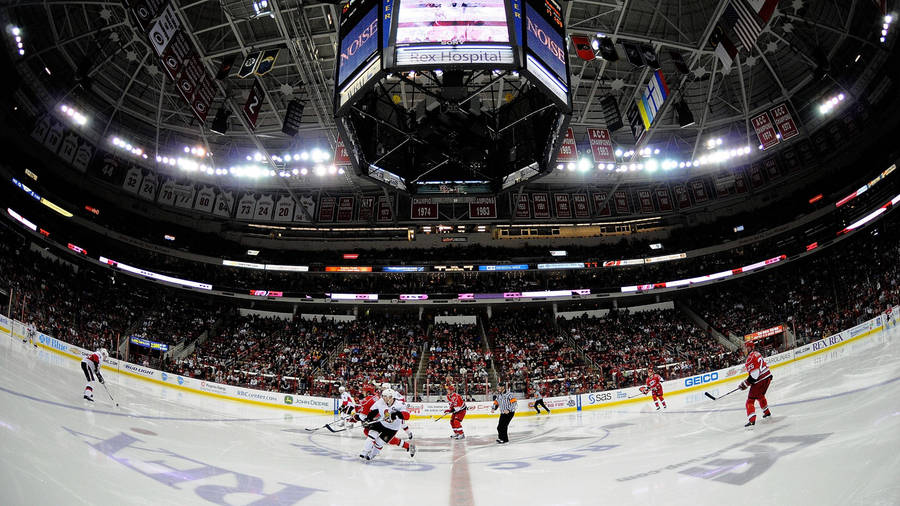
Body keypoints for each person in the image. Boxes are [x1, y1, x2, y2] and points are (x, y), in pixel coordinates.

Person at [358, 389, 415, 460]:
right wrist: (368, 419)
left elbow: (407, 416)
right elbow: (373, 411)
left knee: (379, 443)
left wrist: (396, 414)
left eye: (385, 396)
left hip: (392, 428)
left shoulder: (400, 404)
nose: (383, 398)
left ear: (391, 397)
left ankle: (371, 455)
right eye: (383, 396)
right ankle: (364, 452)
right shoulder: (380, 402)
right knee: (371, 435)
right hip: (381, 423)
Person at [739, 340, 772, 427]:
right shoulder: (757, 353)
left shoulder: (750, 358)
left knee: (750, 401)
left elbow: (754, 376)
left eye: (746, 348)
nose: (744, 350)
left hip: (760, 380)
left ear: (750, 347)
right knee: (760, 396)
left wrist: (745, 384)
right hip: (768, 377)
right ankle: (767, 412)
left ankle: (751, 420)